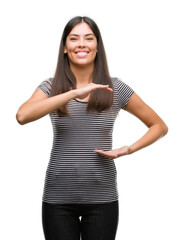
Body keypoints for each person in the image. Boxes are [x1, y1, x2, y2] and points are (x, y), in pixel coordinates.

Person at [16, 16, 168, 240]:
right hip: (58, 199)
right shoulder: (51, 87)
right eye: (74, 38)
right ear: (65, 48)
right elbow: (22, 115)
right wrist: (73, 92)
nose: (81, 44)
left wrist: (128, 149)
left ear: (97, 47)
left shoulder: (115, 87)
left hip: (102, 198)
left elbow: (159, 126)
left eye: (88, 38)